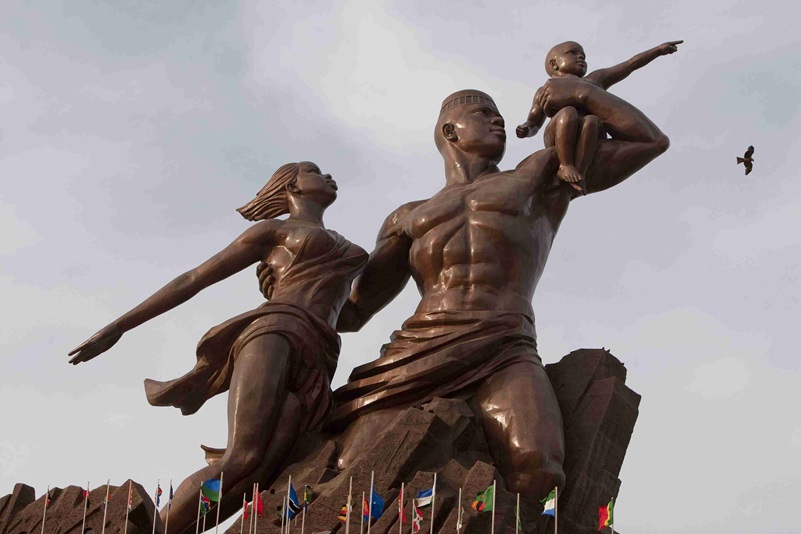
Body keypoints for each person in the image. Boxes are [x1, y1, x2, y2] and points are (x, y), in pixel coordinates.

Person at [306, 78, 670, 505]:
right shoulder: (407, 218)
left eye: (497, 112)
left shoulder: (539, 175)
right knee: (356, 468)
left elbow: (649, 141)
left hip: (504, 343)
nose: (498, 119)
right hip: (416, 352)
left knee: (540, 466)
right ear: (450, 132)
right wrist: (298, 289)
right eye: (483, 113)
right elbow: (352, 312)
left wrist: (582, 92)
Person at [69, 162, 367, 533]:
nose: (328, 175)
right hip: (274, 331)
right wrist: (120, 325)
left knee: (261, 471)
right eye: (315, 170)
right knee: (243, 456)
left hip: (320, 352)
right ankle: (156, 529)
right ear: (292, 185)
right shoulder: (273, 230)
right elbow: (195, 278)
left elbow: (352, 315)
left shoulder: (349, 247)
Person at [516, 40, 682, 193]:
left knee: (592, 121)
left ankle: (579, 171)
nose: (580, 56)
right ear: (554, 64)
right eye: (572, 53)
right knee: (568, 112)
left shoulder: (594, 80)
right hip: (559, 133)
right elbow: (534, 119)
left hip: (587, 136)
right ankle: (565, 165)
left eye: (583, 55)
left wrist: (657, 51)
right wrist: (527, 128)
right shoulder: (546, 89)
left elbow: (629, 65)